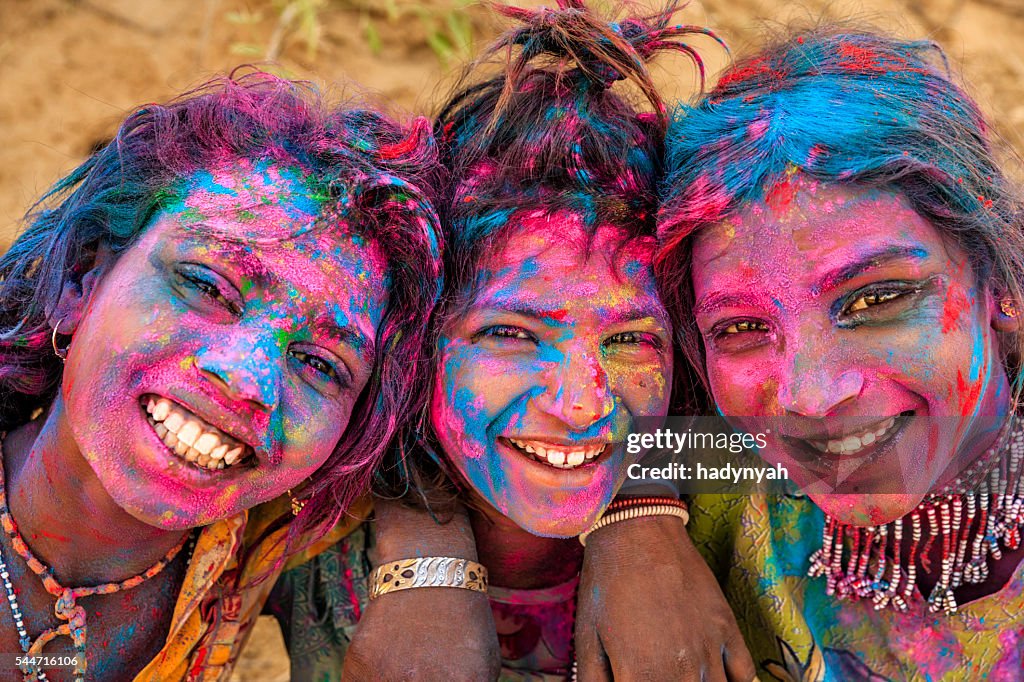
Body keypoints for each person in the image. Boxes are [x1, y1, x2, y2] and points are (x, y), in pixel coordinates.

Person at [270, 2, 757, 680]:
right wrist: (423, 548)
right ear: (415, 346)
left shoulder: (732, 496)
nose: (584, 404)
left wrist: (643, 511)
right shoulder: (309, 507)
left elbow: (817, 445)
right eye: (510, 333)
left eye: (631, 340)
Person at [0, 70, 442, 680]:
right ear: (82, 279)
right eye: (208, 286)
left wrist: (624, 522)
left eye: (320, 364)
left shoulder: (271, 538)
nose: (248, 380)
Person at [657, 26, 1024, 680]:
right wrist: (632, 533)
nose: (810, 396)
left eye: (877, 299)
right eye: (741, 329)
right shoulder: (722, 474)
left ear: (1001, 282)